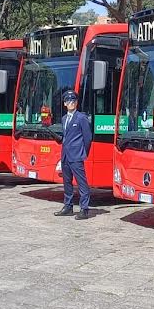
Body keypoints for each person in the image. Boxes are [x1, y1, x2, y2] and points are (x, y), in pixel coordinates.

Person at [55, 90, 93, 220]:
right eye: (68, 101)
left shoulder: (81, 118)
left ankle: (84, 209)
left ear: (76, 103)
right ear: (65, 103)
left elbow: (87, 138)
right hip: (65, 155)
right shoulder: (64, 118)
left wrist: (83, 152)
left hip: (76, 155)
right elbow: (66, 137)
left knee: (82, 183)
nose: (71, 103)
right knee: (67, 182)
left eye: (73, 101)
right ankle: (68, 206)